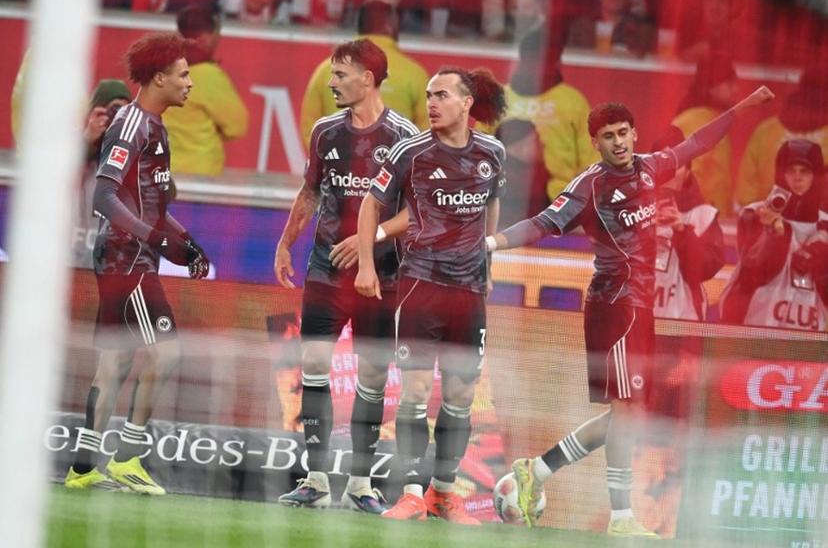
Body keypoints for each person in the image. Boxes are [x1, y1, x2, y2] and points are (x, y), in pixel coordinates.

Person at [485, 86, 774, 536]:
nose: (618, 142)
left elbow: (697, 143)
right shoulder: (589, 185)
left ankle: (536, 471)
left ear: (635, 134)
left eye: (623, 133)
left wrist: (742, 108)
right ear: (596, 143)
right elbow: (543, 222)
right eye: (608, 136)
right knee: (629, 411)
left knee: (630, 415)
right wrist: (491, 243)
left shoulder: (650, 169)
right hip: (614, 305)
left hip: (640, 310)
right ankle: (621, 518)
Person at [355, 66, 507, 524]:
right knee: (416, 392)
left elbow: (492, 203)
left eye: (441, 95)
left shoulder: (493, 153)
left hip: (469, 292)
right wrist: (365, 263)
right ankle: (410, 494)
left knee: (461, 395)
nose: (432, 103)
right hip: (421, 284)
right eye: (428, 95)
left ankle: (444, 495)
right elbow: (371, 204)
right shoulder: (411, 151)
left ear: (467, 103)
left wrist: (490, 261)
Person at [274, 38, 418, 513]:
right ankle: (314, 479)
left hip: (380, 273)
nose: (331, 83)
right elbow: (310, 192)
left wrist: (368, 239)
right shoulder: (324, 132)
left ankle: (360, 484)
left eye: (340, 75)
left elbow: (416, 212)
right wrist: (285, 242)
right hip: (324, 268)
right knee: (313, 368)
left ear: (368, 79)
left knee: (373, 376)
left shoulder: (403, 137)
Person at [63, 32, 210, 494]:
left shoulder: (155, 127)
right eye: (184, 74)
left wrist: (187, 242)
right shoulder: (131, 123)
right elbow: (105, 195)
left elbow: (153, 206)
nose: (189, 83)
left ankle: (84, 467)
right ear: (159, 77)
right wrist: (153, 240)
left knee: (116, 363)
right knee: (167, 354)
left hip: (127, 255)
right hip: (127, 261)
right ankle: (128, 458)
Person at [720, 139, 828, 331]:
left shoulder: (825, 227)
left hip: (808, 339)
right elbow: (753, 269)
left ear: (816, 176)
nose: (797, 178)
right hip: (757, 330)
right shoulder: (755, 214)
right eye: (791, 171)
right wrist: (774, 234)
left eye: (805, 171)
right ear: (781, 173)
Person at [485, 27, 596, 203]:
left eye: (547, 61)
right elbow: (478, 154)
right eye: (533, 59)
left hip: (559, 202)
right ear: (523, 59)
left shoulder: (573, 101)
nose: (538, 66)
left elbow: (591, 161)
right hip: (504, 199)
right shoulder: (498, 99)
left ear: (556, 62)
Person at [300, 0, 429, 148]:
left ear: (360, 27)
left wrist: (326, 163)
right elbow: (427, 134)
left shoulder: (326, 70)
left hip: (338, 167)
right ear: (392, 26)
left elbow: (309, 128)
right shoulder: (414, 74)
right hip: (393, 167)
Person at [164, 4, 249, 177]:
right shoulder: (208, 75)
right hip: (200, 176)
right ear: (205, 37)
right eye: (217, 32)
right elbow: (238, 127)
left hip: (165, 171)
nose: (219, 37)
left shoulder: (163, 69)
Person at [651, 126, 725, 321]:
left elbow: (705, 270)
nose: (669, 173)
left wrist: (681, 231)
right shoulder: (632, 209)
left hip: (683, 325)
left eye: (677, 166)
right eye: (663, 166)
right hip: (636, 324)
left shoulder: (704, 216)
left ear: (688, 170)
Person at [734, 64, 828, 208]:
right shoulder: (765, 130)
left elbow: (746, 190)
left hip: (767, 220)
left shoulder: (766, 130)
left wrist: (753, 218)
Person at [74, 80, 132, 269]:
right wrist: (87, 139)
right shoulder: (71, 149)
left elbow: (167, 191)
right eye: (110, 112)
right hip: (70, 268)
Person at [672, 55, 739, 217]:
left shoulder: (709, 118)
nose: (735, 90)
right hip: (702, 224)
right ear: (712, 86)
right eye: (729, 83)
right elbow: (692, 176)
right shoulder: (699, 121)